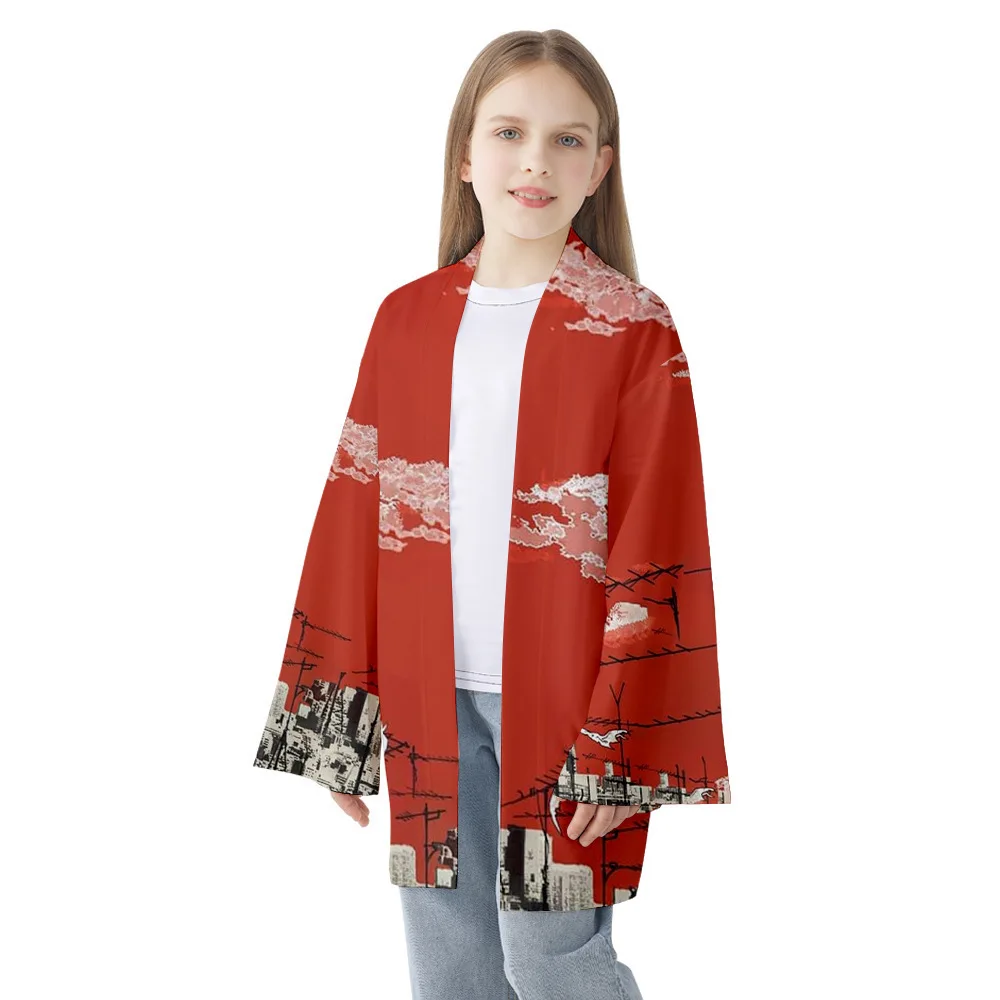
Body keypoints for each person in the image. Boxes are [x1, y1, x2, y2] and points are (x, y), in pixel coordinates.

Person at [258, 26, 731, 1000]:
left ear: (600, 167)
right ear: (466, 155)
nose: (535, 161)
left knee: (551, 961)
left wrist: (624, 744)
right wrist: (335, 723)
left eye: (567, 139)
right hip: (426, 694)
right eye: (510, 132)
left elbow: (661, 538)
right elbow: (355, 513)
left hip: (565, 701)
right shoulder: (407, 320)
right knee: (451, 967)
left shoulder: (631, 329)